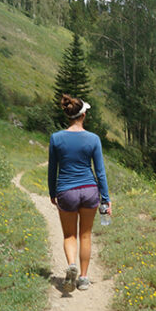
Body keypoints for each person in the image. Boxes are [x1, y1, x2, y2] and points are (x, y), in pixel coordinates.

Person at [48, 94, 112, 292]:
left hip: (66, 191)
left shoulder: (56, 138)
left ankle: (71, 265)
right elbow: (100, 172)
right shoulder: (93, 139)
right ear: (83, 115)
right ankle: (83, 278)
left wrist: (52, 193)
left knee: (69, 235)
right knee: (85, 235)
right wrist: (106, 199)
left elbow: (53, 169)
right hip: (89, 190)